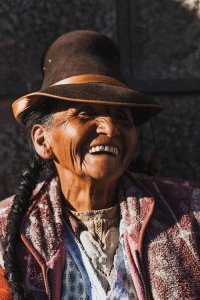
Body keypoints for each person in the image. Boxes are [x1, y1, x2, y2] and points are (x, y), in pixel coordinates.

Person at [0, 30, 200, 300]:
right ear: (42, 139)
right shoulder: (7, 230)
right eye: (86, 113)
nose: (110, 128)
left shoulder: (191, 212)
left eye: (122, 117)